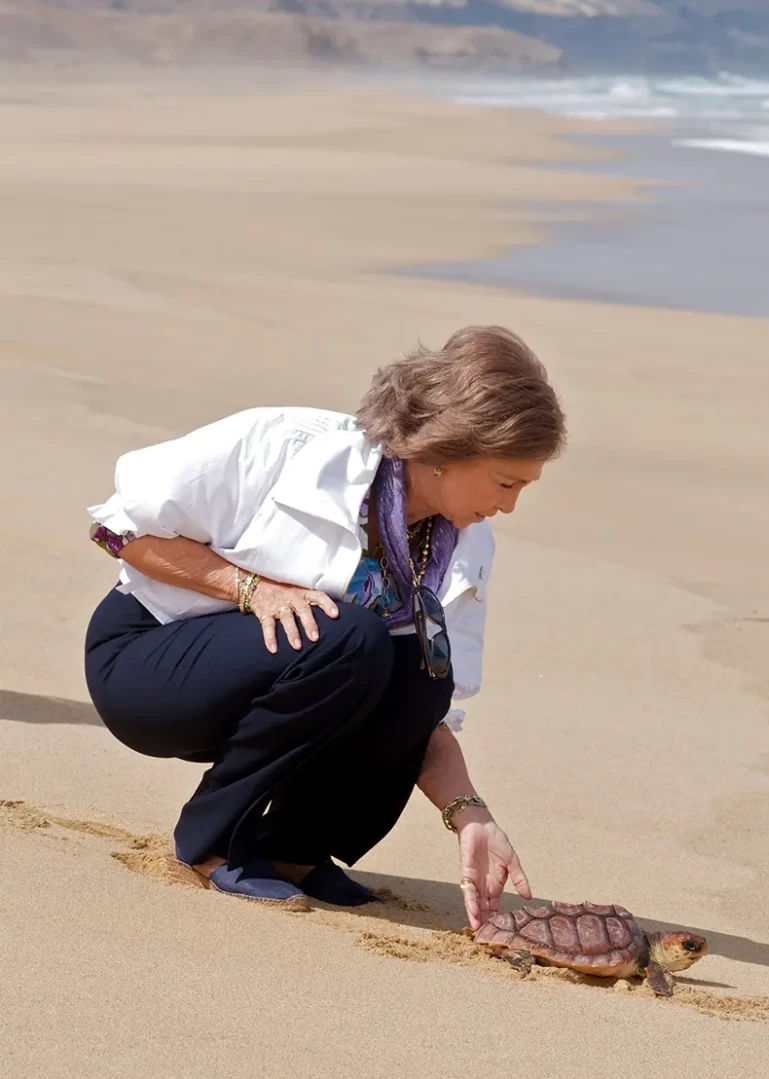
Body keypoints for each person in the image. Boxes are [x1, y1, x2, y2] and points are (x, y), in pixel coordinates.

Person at [84, 325, 565, 925]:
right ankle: (210, 843)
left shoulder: (465, 545)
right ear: (447, 451)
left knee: (420, 668)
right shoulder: (287, 443)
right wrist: (253, 589)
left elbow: (425, 715)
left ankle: (291, 850)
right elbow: (119, 530)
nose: (511, 505)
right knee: (352, 636)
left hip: (286, 682)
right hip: (150, 661)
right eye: (505, 482)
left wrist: (471, 813)